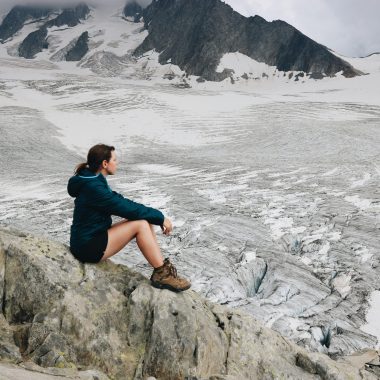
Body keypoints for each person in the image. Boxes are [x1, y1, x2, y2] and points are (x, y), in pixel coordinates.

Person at [67, 143, 191, 292]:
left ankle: (162, 269)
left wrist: (154, 217)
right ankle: (161, 274)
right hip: (87, 247)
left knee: (144, 221)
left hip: (90, 237)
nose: (117, 162)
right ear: (105, 163)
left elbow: (118, 200)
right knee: (141, 225)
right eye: (115, 159)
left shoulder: (91, 178)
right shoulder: (93, 187)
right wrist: (160, 217)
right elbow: (123, 208)